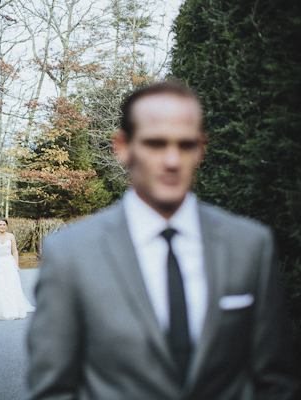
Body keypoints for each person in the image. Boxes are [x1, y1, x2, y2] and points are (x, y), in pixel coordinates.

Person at [27, 81, 299, 399]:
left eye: (185, 145)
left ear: (201, 147)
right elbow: (53, 390)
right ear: (122, 146)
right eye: (156, 144)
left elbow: (277, 382)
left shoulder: (251, 245)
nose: (172, 160)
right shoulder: (69, 254)